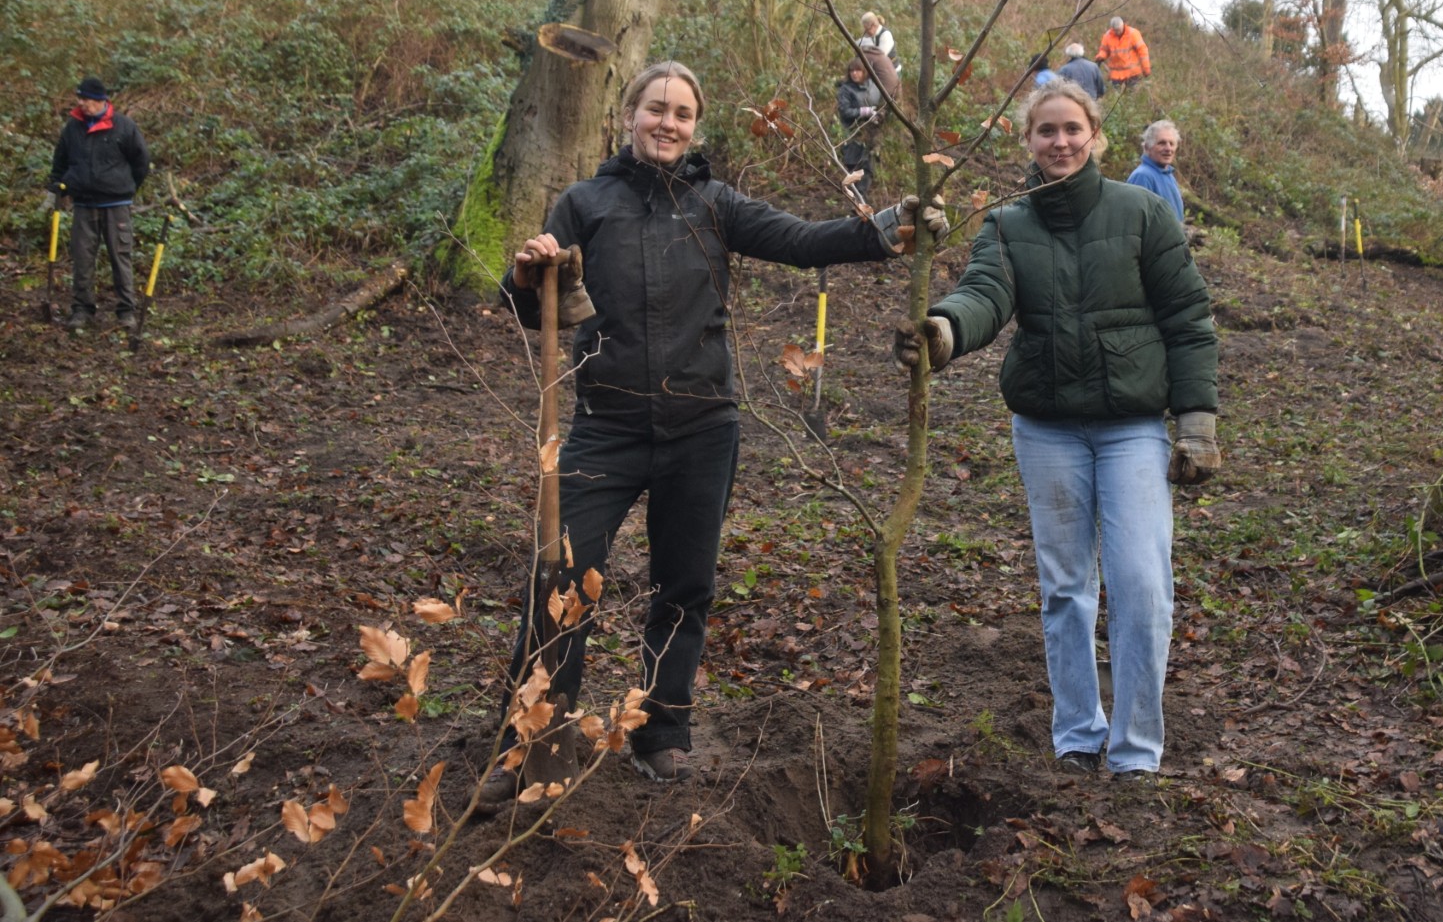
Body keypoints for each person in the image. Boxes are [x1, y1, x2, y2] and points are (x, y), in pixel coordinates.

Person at [485, 61, 945, 801]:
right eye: (655, 108)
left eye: (683, 114)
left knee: (685, 584)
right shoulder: (584, 203)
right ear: (628, 114)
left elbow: (803, 239)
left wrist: (885, 230)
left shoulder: (715, 205)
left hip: (702, 427)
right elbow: (528, 308)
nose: (668, 123)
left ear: (696, 126)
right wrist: (524, 272)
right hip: (605, 427)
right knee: (560, 576)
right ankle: (526, 741)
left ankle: (661, 730)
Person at [893, 79, 1220, 778]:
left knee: (1140, 581)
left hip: (1132, 425)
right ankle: (1077, 731)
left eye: (1073, 128)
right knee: (1066, 584)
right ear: (1028, 141)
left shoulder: (1141, 214)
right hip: (1047, 428)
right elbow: (985, 292)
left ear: (1097, 134)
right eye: (1046, 131)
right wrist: (944, 331)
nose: (1061, 141)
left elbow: (1189, 318)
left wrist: (1195, 421)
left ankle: (1135, 751)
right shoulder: (1009, 224)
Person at [45, 76, 149, 332]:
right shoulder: (72, 128)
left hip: (116, 204)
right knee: (82, 259)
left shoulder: (123, 126)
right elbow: (60, 162)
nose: (82, 104)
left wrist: (126, 187)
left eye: (87, 99)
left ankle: (126, 311)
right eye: (80, 99)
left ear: (101, 100)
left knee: (120, 257)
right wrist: (56, 187)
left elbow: (141, 161)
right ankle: (82, 309)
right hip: (83, 204)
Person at [836, 52, 884, 206]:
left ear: (865, 72)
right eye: (852, 71)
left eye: (858, 70)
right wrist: (864, 111)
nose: (855, 74)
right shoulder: (846, 89)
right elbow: (845, 112)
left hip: (871, 132)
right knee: (853, 166)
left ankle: (861, 202)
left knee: (868, 167)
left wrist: (877, 115)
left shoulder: (873, 86)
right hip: (852, 133)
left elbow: (880, 104)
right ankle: (853, 202)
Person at [1127, 120, 1184, 224]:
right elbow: (1135, 222)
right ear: (1147, 147)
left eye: (1172, 144)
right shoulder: (1142, 176)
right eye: (1162, 143)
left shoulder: (1168, 174)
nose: (1168, 148)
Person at [1094, 16, 1151, 89]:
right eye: (1115, 30)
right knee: (1116, 98)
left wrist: (1146, 68)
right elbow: (1104, 50)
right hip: (1116, 74)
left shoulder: (1133, 34)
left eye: (1119, 30)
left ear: (1123, 25)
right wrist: (1100, 56)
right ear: (1112, 28)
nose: (1117, 32)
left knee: (1131, 97)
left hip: (1132, 73)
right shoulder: (1107, 36)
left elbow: (1143, 51)